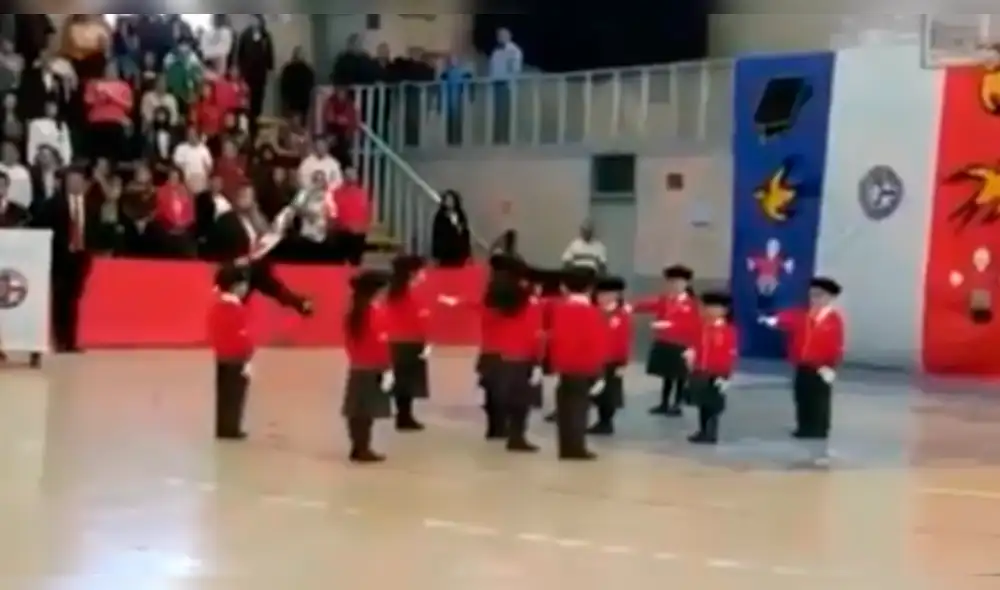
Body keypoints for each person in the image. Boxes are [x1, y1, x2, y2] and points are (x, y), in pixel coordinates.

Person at [759, 277, 845, 442]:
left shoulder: (834, 319)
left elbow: (836, 344)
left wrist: (830, 366)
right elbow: (788, 319)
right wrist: (775, 320)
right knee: (802, 396)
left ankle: (819, 428)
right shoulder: (804, 315)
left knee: (819, 398)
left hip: (821, 366)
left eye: (820, 295)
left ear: (830, 297)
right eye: (812, 295)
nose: (815, 299)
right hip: (802, 363)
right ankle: (804, 426)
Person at [213, 184, 313, 316]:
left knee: (270, 285)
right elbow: (218, 246)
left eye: (249, 195)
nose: (246, 199)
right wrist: (234, 263)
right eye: (243, 195)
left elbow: (269, 238)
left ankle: (298, 303)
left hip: (254, 268)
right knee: (233, 305)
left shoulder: (258, 220)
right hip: (232, 272)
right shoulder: (227, 219)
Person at [548, 268, 608, 460]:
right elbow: (597, 343)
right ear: (590, 289)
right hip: (584, 368)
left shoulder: (557, 308)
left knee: (564, 409)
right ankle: (576, 448)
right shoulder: (593, 313)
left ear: (564, 287)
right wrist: (599, 372)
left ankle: (565, 447)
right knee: (579, 410)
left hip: (563, 367)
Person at [35, 166, 92, 353]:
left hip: (80, 257)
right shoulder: (53, 204)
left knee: (74, 299)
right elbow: (42, 227)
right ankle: (59, 340)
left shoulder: (90, 204)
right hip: (60, 258)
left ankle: (71, 340)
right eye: (71, 179)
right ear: (65, 182)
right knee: (60, 299)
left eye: (78, 180)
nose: (75, 183)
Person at [342, 269, 394, 463]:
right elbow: (380, 341)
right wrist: (387, 366)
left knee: (356, 409)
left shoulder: (355, 312)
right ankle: (363, 448)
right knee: (366, 411)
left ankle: (357, 446)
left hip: (357, 366)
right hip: (373, 367)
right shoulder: (374, 312)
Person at [493, 262, 545, 453]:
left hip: (505, 355)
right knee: (522, 403)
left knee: (509, 398)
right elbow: (535, 333)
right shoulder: (531, 303)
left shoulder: (502, 300)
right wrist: (539, 359)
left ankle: (509, 432)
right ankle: (517, 436)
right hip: (524, 357)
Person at [633, 265, 700, 416]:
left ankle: (677, 404)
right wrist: (633, 307)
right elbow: (650, 304)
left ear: (686, 284)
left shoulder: (692, 303)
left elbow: (693, 325)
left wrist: (671, 325)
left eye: (678, 282)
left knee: (680, 376)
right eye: (672, 282)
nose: (675, 285)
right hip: (665, 341)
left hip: (682, 343)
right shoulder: (666, 299)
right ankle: (664, 403)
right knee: (667, 375)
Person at [683, 292, 738, 444]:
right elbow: (694, 343)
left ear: (724, 310)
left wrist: (726, 375)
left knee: (713, 405)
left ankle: (711, 433)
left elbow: (730, 354)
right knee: (702, 403)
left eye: (715, 308)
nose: (710, 311)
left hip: (717, 373)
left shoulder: (728, 330)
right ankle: (702, 430)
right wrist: (690, 353)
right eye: (708, 307)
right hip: (700, 371)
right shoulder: (701, 326)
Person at [384, 254, 431, 431]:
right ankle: (404, 416)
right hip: (411, 340)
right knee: (408, 380)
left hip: (396, 340)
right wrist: (426, 340)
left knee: (402, 380)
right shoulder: (410, 291)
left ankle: (403, 415)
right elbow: (419, 318)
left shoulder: (394, 290)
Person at [207, 264, 253, 440]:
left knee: (224, 394)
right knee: (235, 394)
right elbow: (242, 334)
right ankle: (231, 428)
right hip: (236, 357)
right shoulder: (235, 308)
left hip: (221, 356)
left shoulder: (217, 306)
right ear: (235, 286)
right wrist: (247, 352)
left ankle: (224, 427)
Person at [589, 276, 631, 435]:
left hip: (613, 360)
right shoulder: (592, 311)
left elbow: (626, 338)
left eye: (611, 294)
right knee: (596, 393)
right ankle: (600, 420)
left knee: (610, 394)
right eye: (602, 294)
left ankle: (606, 422)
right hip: (594, 359)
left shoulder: (621, 314)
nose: (605, 298)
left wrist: (623, 362)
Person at [431, 189, 471, 267]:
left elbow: (465, 233)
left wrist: (467, 253)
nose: (449, 203)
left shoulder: (460, 214)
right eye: (447, 200)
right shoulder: (440, 216)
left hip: (458, 253)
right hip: (444, 253)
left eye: (451, 200)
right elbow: (436, 235)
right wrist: (436, 254)